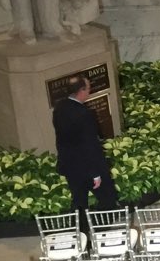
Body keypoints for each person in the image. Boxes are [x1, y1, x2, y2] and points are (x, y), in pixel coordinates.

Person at [53, 76, 117, 219]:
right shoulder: (84, 115)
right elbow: (89, 145)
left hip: (70, 166)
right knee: (108, 199)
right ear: (81, 90)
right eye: (88, 88)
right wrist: (95, 174)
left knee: (79, 201)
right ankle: (102, 229)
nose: (90, 91)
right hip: (87, 168)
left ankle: (81, 230)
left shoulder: (60, 108)